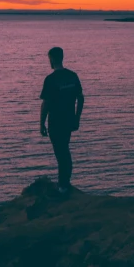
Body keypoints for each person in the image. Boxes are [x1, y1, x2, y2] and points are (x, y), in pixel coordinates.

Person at [39, 46, 84, 193]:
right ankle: (65, 183)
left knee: (61, 153)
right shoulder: (72, 76)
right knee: (64, 151)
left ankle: (63, 186)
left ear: (52, 59)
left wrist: (41, 123)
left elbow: (46, 104)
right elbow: (80, 98)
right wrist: (77, 118)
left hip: (56, 122)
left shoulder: (51, 79)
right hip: (68, 121)